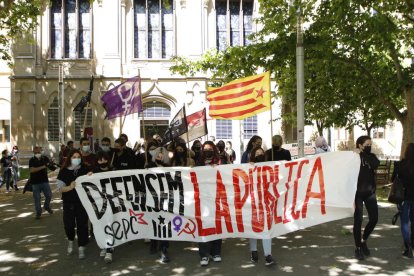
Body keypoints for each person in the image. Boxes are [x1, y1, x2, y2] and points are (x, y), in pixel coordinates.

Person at [56, 149, 90, 259]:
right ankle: (70, 240)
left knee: (82, 225)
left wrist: (90, 176)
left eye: (78, 157)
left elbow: (92, 182)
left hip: (82, 203)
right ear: (70, 158)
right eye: (74, 157)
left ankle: (81, 247)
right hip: (69, 203)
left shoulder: (85, 169)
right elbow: (60, 189)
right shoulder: (64, 171)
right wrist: (70, 187)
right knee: (69, 225)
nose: (76, 159)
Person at [353, 135, 380, 260]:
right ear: (359, 145)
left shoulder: (371, 156)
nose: (369, 147)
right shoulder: (353, 157)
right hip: (357, 194)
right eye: (367, 145)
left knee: (374, 219)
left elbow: (375, 164)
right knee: (358, 221)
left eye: (370, 145)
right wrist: (357, 154)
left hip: (370, 193)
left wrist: (363, 153)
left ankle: (364, 240)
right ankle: (358, 247)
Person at [248, 146, 275, 266]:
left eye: (261, 153)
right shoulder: (248, 167)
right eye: (257, 153)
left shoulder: (270, 166)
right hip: (252, 202)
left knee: (266, 228)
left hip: (266, 202)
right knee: (253, 228)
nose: (259, 155)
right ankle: (254, 251)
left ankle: (268, 255)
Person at [197, 141, 222, 266]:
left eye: (210, 148)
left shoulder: (220, 161)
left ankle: (216, 252)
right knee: (204, 225)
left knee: (217, 224)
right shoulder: (198, 162)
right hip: (203, 198)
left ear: (214, 149)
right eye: (205, 149)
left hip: (217, 198)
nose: (207, 150)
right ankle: (204, 254)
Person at [92, 151, 115, 263]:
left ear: (108, 159)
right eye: (100, 160)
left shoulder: (113, 171)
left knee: (109, 224)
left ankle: (109, 250)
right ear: (97, 161)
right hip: (99, 203)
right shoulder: (94, 171)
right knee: (101, 225)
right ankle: (104, 245)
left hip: (111, 202)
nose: (103, 162)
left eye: (104, 159)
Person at [392, 143, 414, 258]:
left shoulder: (399, 164)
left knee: (404, 222)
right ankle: (412, 244)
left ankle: (408, 247)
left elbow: (393, 179)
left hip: (403, 197)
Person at [28, 147, 55, 219]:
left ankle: (46, 206)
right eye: (36, 152)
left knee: (49, 195)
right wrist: (43, 166)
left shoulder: (45, 158)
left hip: (44, 181)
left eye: (38, 152)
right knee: (37, 198)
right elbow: (32, 170)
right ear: (33, 152)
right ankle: (38, 212)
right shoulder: (32, 160)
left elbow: (52, 168)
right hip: (35, 182)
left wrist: (52, 164)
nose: (37, 154)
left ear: (41, 151)